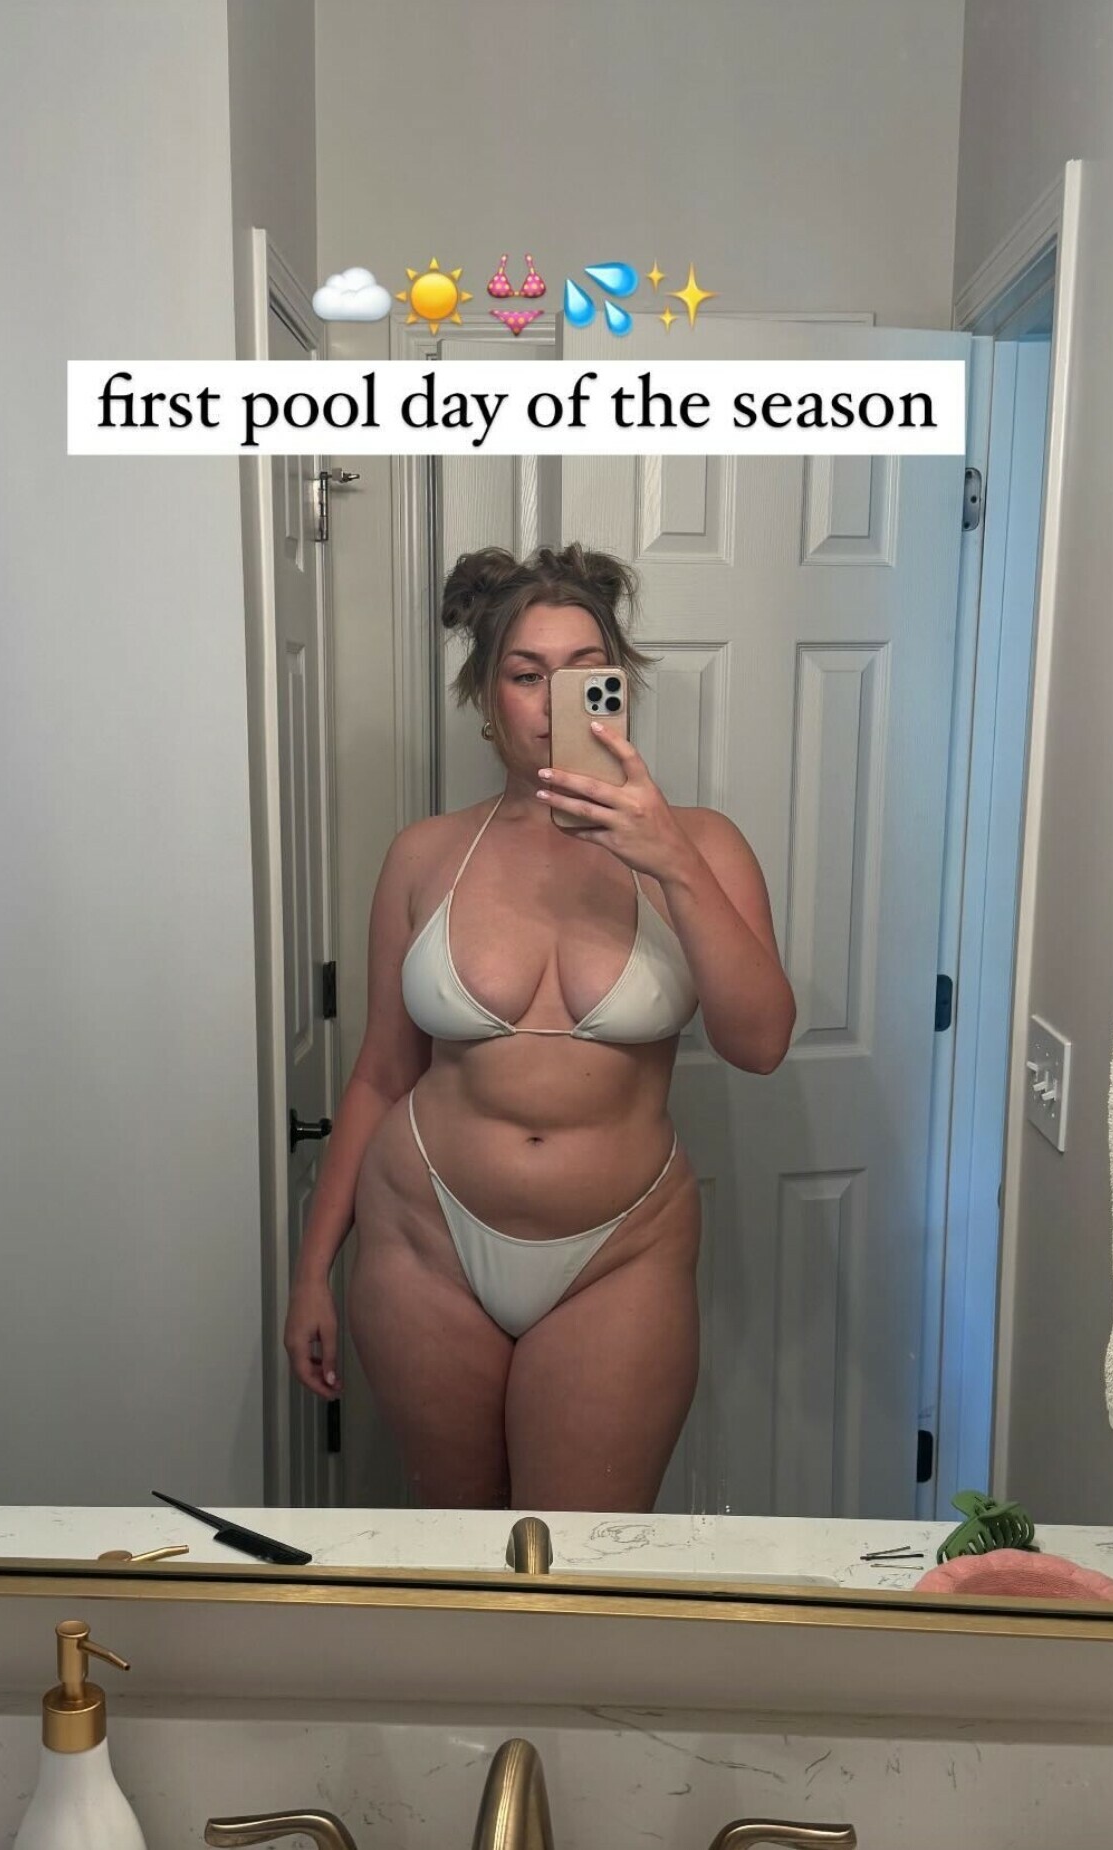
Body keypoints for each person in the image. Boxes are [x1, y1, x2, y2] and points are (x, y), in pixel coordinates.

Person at [283, 543, 796, 1511]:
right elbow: (380, 1074)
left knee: (584, 1563)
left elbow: (759, 1043)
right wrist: (312, 1270)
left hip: (620, 1253)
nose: (553, 701)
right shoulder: (423, 855)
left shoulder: (703, 845)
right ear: (486, 699)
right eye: (525, 675)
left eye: (582, 672)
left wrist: (669, 860)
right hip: (423, 1240)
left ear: (619, 686)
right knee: (460, 1553)